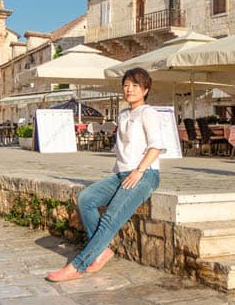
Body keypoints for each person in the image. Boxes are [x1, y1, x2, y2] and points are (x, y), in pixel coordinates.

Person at [46, 67, 164, 282]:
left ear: (145, 90)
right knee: (86, 198)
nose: (129, 89)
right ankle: (101, 252)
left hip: (144, 174)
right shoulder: (124, 114)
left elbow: (156, 146)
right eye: (126, 85)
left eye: (135, 86)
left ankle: (78, 265)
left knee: (110, 218)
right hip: (121, 174)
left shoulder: (149, 113)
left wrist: (139, 171)